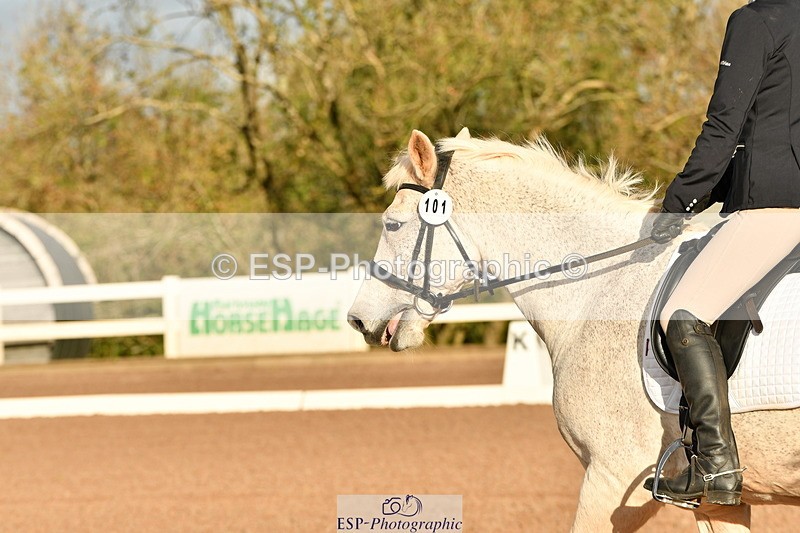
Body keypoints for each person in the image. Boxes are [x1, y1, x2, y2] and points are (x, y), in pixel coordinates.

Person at [644, 0, 800, 506]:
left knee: (683, 312)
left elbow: (723, 129)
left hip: (778, 204)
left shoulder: (756, 20)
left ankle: (714, 465)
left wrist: (675, 206)